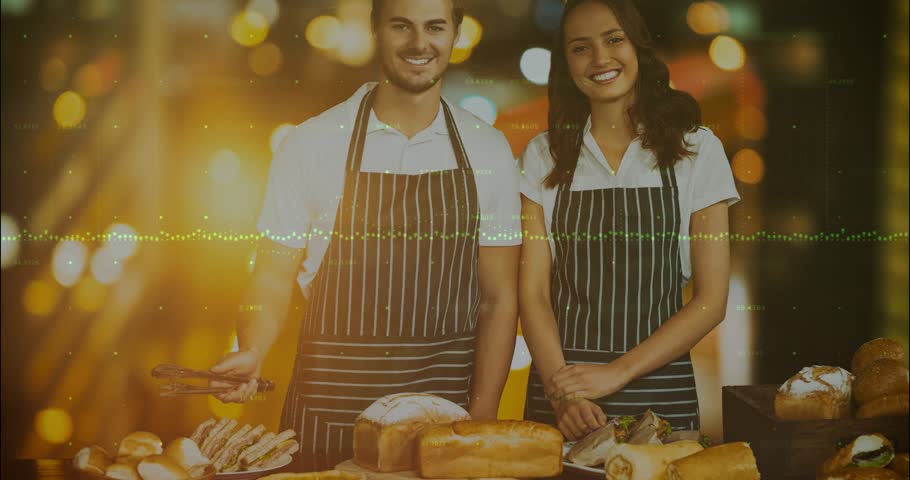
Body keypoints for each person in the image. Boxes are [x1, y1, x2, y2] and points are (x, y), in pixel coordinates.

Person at [208, 0, 522, 470]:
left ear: (455, 33)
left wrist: (478, 423)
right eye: (402, 26)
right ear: (376, 29)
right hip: (327, 426)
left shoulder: (489, 149)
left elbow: (498, 299)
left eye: (435, 27)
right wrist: (252, 347)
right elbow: (271, 276)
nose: (420, 43)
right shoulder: (310, 145)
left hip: (441, 429)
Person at [519, 0, 741, 440]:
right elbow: (533, 293)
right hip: (562, 399)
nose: (601, 58)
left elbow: (711, 301)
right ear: (566, 63)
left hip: (663, 401)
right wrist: (564, 393)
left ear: (638, 46)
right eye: (581, 48)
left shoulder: (697, 151)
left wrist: (616, 373)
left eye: (614, 39)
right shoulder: (542, 155)